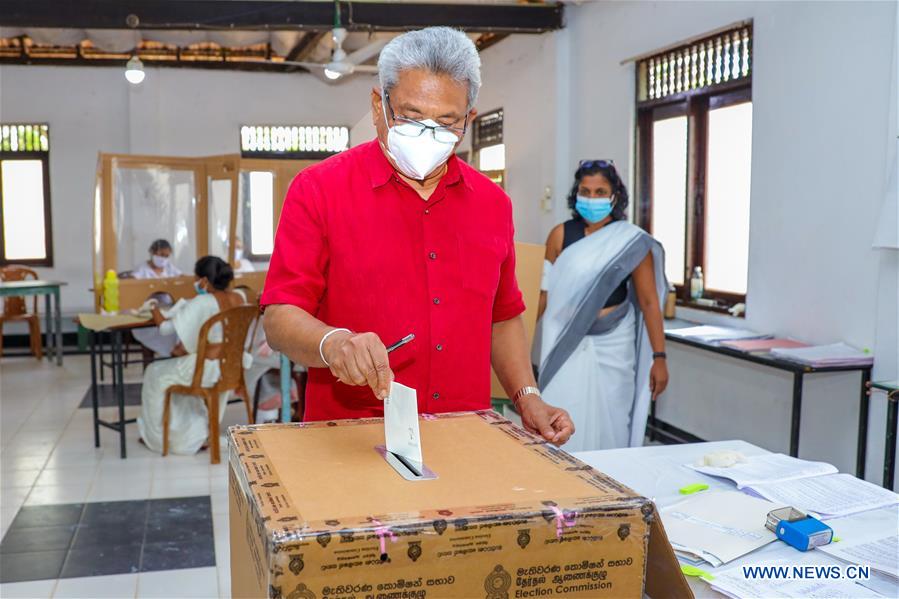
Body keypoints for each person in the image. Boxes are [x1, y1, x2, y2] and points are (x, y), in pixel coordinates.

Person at [261, 27, 573, 444]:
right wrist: (332, 343)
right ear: (378, 106)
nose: (428, 135)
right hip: (351, 436)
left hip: (465, 433)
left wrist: (528, 396)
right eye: (410, 117)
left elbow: (502, 316)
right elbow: (279, 317)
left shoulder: (492, 204)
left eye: (446, 121)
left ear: (468, 120)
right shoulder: (319, 190)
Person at [536, 160, 669, 452]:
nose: (592, 198)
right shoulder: (560, 235)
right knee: (560, 410)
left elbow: (648, 302)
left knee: (612, 416)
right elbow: (543, 294)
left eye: (600, 192)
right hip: (566, 342)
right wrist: (517, 339)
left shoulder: (629, 240)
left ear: (614, 196)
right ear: (576, 194)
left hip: (614, 345)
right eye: (586, 191)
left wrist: (659, 357)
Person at [137, 256, 246, 455]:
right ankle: (197, 433)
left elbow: (165, 328)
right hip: (232, 367)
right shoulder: (239, 297)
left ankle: (158, 438)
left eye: (196, 279)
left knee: (155, 372)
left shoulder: (203, 301)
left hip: (206, 369)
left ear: (204, 280)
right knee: (177, 370)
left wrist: (153, 308)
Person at [132, 239, 183, 356]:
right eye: (161, 255)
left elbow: (182, 278)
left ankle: (175, 355)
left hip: (169, 311)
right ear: (152, 252)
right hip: (147, 313)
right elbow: (133, 286)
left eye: (166, 256)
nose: (163, 259)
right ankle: (167, 354)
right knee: (155, 330)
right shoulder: (142, 269)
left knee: (177, 327)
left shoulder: (169, 267)